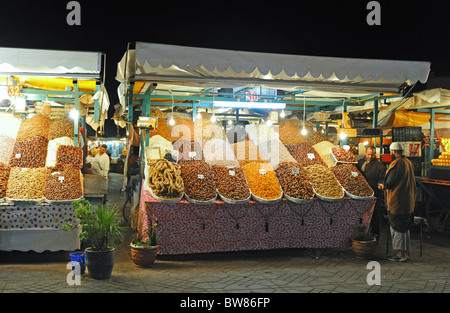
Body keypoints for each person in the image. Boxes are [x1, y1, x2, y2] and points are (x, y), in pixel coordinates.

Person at [382, 142, 417, 262]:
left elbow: (390, 183)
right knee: (405, 228)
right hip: (408, 202)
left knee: (397, 228)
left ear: (393, 151)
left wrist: (382, 185)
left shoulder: (396, 164)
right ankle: (406, 253)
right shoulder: (408, 162)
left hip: (397, 202)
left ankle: (400, 254)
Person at [357, 145, 386, 238]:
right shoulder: (360, 162)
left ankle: (375, 237)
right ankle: (360, 235)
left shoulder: (379, 166)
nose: (370, 156)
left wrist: (381, 184)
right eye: (368, 154)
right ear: (365, 153)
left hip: (374, 195)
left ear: (375, 154)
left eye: (372, 155)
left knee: (375, 217)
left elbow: (382, 179)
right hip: (360, 195)